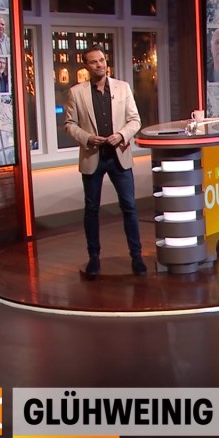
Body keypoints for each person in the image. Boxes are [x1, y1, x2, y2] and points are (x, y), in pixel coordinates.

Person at [64, 45, 146, 280]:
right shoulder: (76, 93)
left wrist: (121, 135)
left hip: (119, 155)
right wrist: (87, 138)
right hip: (93, 156)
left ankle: (137, 256)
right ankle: (94, 257)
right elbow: (69, 124)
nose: (99, 64)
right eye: (94, 62)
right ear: (87, 66)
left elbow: (135, 120)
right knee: (91, 209)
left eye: (101, 60)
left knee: (129, 207)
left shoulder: (122, 88)